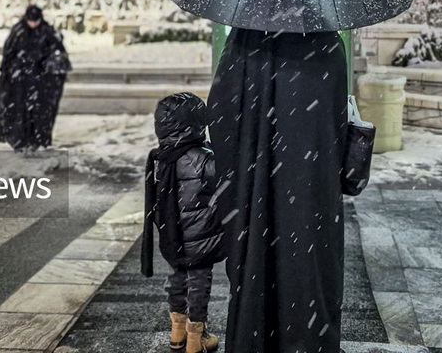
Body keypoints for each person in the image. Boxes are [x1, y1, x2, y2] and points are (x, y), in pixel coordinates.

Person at [208, 28, 348, 353]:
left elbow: (220, 114)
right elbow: (336, 120)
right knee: (308, 270)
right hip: (311, 185)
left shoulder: (243, 40)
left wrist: (245, 164)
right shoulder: (327, 42)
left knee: (255, 266)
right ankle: (306, 341)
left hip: (253, 190)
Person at [141, 93, 223, 353]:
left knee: (178, 277)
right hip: (201, 235)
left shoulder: (160, 157)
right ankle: (196, 337)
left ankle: (177, 331)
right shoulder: (202, 158)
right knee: (199, 280)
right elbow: (222, 183)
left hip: (173, 235)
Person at [0, 5, 70, 152]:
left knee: (39, 114)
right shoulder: (19, 33)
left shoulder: (47, 33)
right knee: (20, 113)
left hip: (40, 82)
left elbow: (58, 56)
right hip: (21, 83)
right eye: (31, 21)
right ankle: (21, 140)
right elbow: (9, 56)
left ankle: (38, 139)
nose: (34, 25)